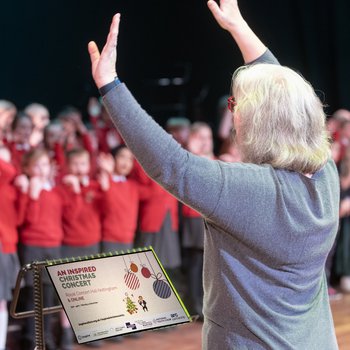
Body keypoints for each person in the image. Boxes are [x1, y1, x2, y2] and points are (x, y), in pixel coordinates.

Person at [88, 0, 339, 349]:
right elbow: (284, 96)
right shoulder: (326, 173)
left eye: (235, 105)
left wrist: (110, 86)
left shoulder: (253, 192)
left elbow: (172, 166)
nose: (233, 113)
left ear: (259, 123)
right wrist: (238, 27)